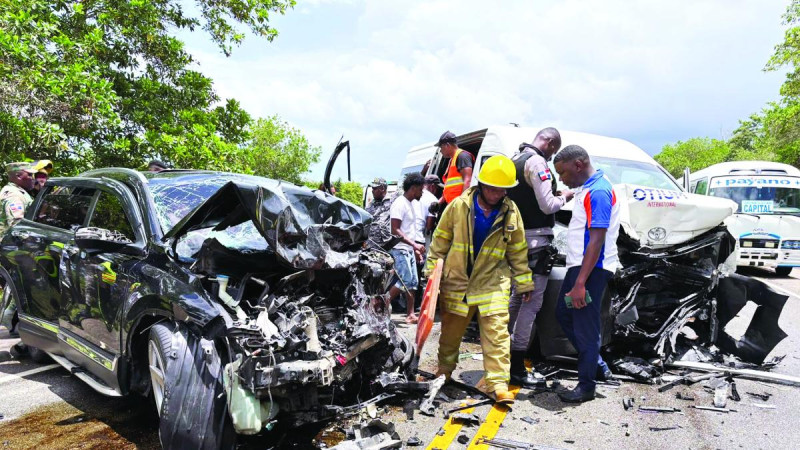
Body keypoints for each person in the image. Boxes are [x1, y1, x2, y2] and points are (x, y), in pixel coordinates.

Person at [427, 155, 533, 405]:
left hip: (492, 282)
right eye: (492, 188)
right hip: (457, 283)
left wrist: (524, 281)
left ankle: (497, 384)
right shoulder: (458, 206)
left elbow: (517, 249)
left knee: (497, 334)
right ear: (482, 184)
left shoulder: (511, 211)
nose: (497, 194)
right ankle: (444, 372)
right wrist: (431, 278)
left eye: (502, 190)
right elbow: (439, 242)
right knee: (451, 334)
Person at [505, 128, 574, 388]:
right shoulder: (537, 163)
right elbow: (547, 205)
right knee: (530, 305)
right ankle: (517, 367)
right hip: (535, 243)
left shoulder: (513, 161)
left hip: (514, 243)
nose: (552, 154)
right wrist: (563, 197)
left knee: (516, 299)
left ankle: (504, 356)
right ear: (550, 143)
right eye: (554, 150)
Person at [552, 145, 621, 403]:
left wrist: (580, 283)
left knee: (585, 328)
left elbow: (597, 240)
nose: (562, 178)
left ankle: (586, 386)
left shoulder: (599, 191)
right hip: (580, 269)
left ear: (579, 165)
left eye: (563, 172)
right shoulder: (588, 188)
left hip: (589, 272)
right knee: (564, 314)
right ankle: (597, 365)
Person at [0, 162, 37, 338]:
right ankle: (10, 320)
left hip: (13, 248)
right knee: (20, 286)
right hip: (13, 248)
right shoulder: (14, 196)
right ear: (17, 176)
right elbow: (17, 225)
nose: (33, 178)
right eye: (29, 175)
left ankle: (12, 321)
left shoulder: (19, 192)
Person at [388, 173, 425, 324]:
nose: (422, 193)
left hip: (408, 249)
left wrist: (415, 249)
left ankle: (410, 314)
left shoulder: (410, 204)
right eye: (421, 189)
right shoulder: (399, 203)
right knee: (405, 280)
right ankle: (380, 305)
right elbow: (395, 230)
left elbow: (409, 230)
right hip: (399, 249)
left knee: (413, 282)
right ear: (414, 188)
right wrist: (415, 245)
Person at [436, 131, 474, 205]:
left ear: (447, 145)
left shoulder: (462, 156)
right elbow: (449, 187)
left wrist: (461, 203)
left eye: (441, 147)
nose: (440, 150)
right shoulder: (452, 160)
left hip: (458, 205)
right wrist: (439, 202)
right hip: (452, 204)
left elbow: (467, 181)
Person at [365, 177, 393, 250]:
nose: (372, 191)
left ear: (382, 188)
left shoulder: (393, 201)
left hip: (389, 244)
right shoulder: (371, 204)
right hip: (372, 244)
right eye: (372, 188)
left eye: (375, 188)